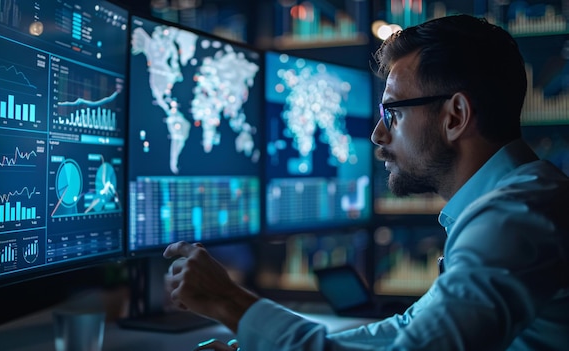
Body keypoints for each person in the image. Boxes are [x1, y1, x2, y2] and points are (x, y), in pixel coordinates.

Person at [163, 14, 569, 350]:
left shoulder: (514, 217)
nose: (377, 133)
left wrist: (230, 302)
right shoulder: (516, 201)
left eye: (392, 112)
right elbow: (407, 329)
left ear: (455, 117)